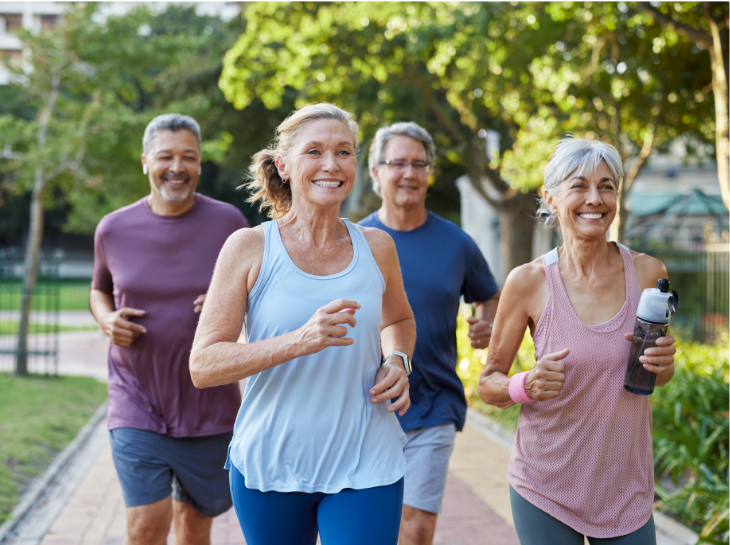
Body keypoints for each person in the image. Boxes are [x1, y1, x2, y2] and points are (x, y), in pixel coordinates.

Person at [189, 103, 414, 545]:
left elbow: (400, 319)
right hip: (271, 462)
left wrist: (400, 360)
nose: (331, 165)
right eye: (314, 151)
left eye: (344, 152)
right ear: (284, 166)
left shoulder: (378, 247)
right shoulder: (249, 248)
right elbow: (203, 365)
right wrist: (299, 341)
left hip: (366, 456)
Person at [477, 137, 677, 544]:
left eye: (606, 186)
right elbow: (489, 383)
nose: (595, 198)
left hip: (625, 489)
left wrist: (665, 367)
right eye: (579, 186)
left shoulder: (647, 272)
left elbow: (651, 375)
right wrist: (527, 384)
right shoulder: (528, 281)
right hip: (544, 485)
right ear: (550, 198)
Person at [90, 114, 248, 545]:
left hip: (208, 403)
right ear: (145, 161)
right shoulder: (113, 228)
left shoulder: (229, 224)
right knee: (145, 526)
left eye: (188, 157)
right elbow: (99, 289)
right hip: (135, 397)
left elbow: (259, 294)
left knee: (194, 529)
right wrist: (106, 319)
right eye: (166, 156)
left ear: (199, 165)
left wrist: (228, 306)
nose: (177, 167)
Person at [358, 122, 500, 545]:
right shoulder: (353, 240)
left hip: (434, 402)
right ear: (375, 172)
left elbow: (488, 295)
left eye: (419, 164)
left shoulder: (456, 242)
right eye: (397, 163)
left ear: (429, 173)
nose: (409, 173)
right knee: (369, 528)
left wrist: (486, 325)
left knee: (416, 530)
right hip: (365, 406)